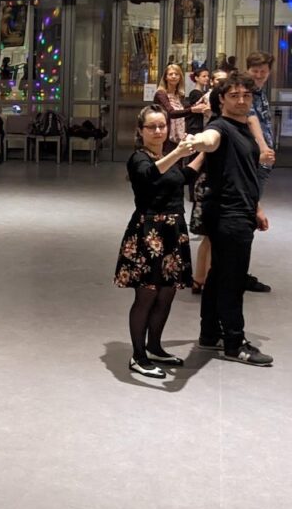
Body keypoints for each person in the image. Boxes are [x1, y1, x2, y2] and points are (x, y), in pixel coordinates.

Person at [182, 72, 274, 366]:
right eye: (234, 96)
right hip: (227, 214)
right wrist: (197, 141)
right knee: (232, 280)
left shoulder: (243, 127)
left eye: (246, 95)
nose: (241, 100)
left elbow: (243, 173)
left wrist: (256, 208)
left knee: (219, 273)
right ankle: (235, 343)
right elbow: (210, 140)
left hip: (239, 210)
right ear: (221, 99)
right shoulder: (220, 127)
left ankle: (210, 334)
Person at [114, 106, 201, 378]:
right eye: (151, 127)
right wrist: (178, 153)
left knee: (166, 293)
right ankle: (138, 356)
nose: (158, 131)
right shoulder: (138, 158)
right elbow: (150, 175)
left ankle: (154, 347)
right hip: (149, 232)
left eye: (162, 125)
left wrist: (203, 153)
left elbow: (184, 177)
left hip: (173, 230)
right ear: (140, 131)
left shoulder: (167, 155)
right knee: (147, 294)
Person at [189, 69, 227, 293]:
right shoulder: (218, 123)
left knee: (209, 237)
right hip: (211, 185)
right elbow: (208, 140)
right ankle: (207, 280)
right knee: (213, 237)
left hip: (209, 182)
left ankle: (200, 279)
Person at [244, 51, 277, 293]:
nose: (259, 75)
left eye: (263, 71)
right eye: (255, 71)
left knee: (247, 217)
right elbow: (251, 120)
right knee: (247, 216)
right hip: (254, 160)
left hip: (262, 162)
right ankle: (237, 274)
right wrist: (263, 148)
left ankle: (236, 271)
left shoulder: (260, 92)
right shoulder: (245, 92)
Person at [153, 63, 199, 152]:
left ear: (180, 77)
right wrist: (192, 110)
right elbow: (171, 113)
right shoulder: (161, 94)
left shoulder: (179, 95)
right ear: (166, 77)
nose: (174, 76)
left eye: (176, 74)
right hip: (166, 137)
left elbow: (184, 112)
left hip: (180, 137)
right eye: (170, 74)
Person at [184, 66, 211, 136]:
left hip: (199, 126)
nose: (207, 78)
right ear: (196, 78)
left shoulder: (202, 93)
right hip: (195, 127)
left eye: (208, 76)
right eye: (204, 76)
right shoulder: (195, 93)